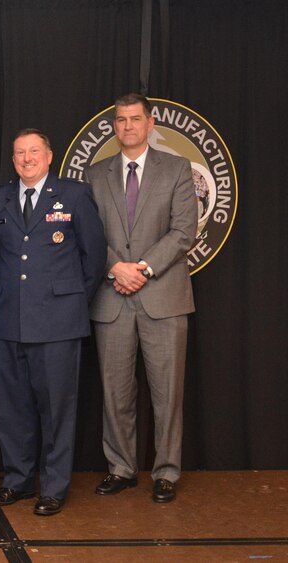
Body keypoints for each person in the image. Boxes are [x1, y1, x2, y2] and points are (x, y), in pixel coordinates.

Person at [0, 129, 106, 516]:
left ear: (49, 156)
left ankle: (53, 487)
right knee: (14, 409)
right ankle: (17, 481)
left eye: (34, 151)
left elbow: (94, 256)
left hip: (59, 323)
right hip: (12, 320)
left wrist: (68, 303)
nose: (26, 158)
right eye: (19, 152)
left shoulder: (73, 195)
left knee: (57, 411)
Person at [87, 94, 196, 503]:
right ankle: (121, 468)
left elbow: (184, 231)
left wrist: (143, 269)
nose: (128, 126)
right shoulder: (96, 175)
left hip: (163, 296)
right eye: (120, 120)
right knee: (115, 392)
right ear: (113, 127)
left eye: (135, 119)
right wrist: (117, 268)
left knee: (167, 391)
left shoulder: (178, 169)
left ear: (151, 124)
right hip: (112, 297)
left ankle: (166, 471)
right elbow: (91, 235)